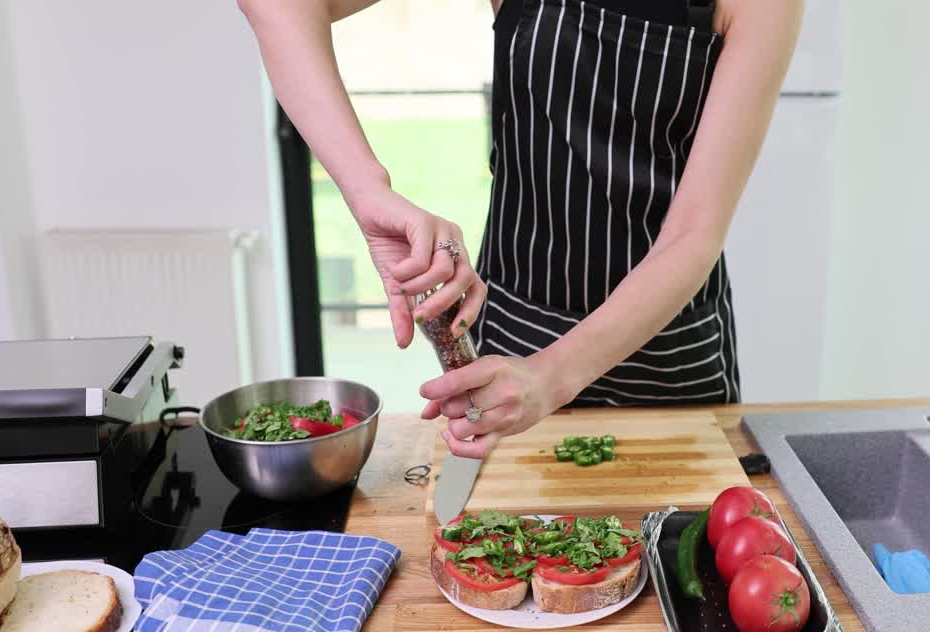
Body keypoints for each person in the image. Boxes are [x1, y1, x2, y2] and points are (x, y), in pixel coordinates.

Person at [239, 0, 803, 458]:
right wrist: (369, 190)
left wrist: (549, 379)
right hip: (514, 339)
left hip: (670, 362)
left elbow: (694, 236)